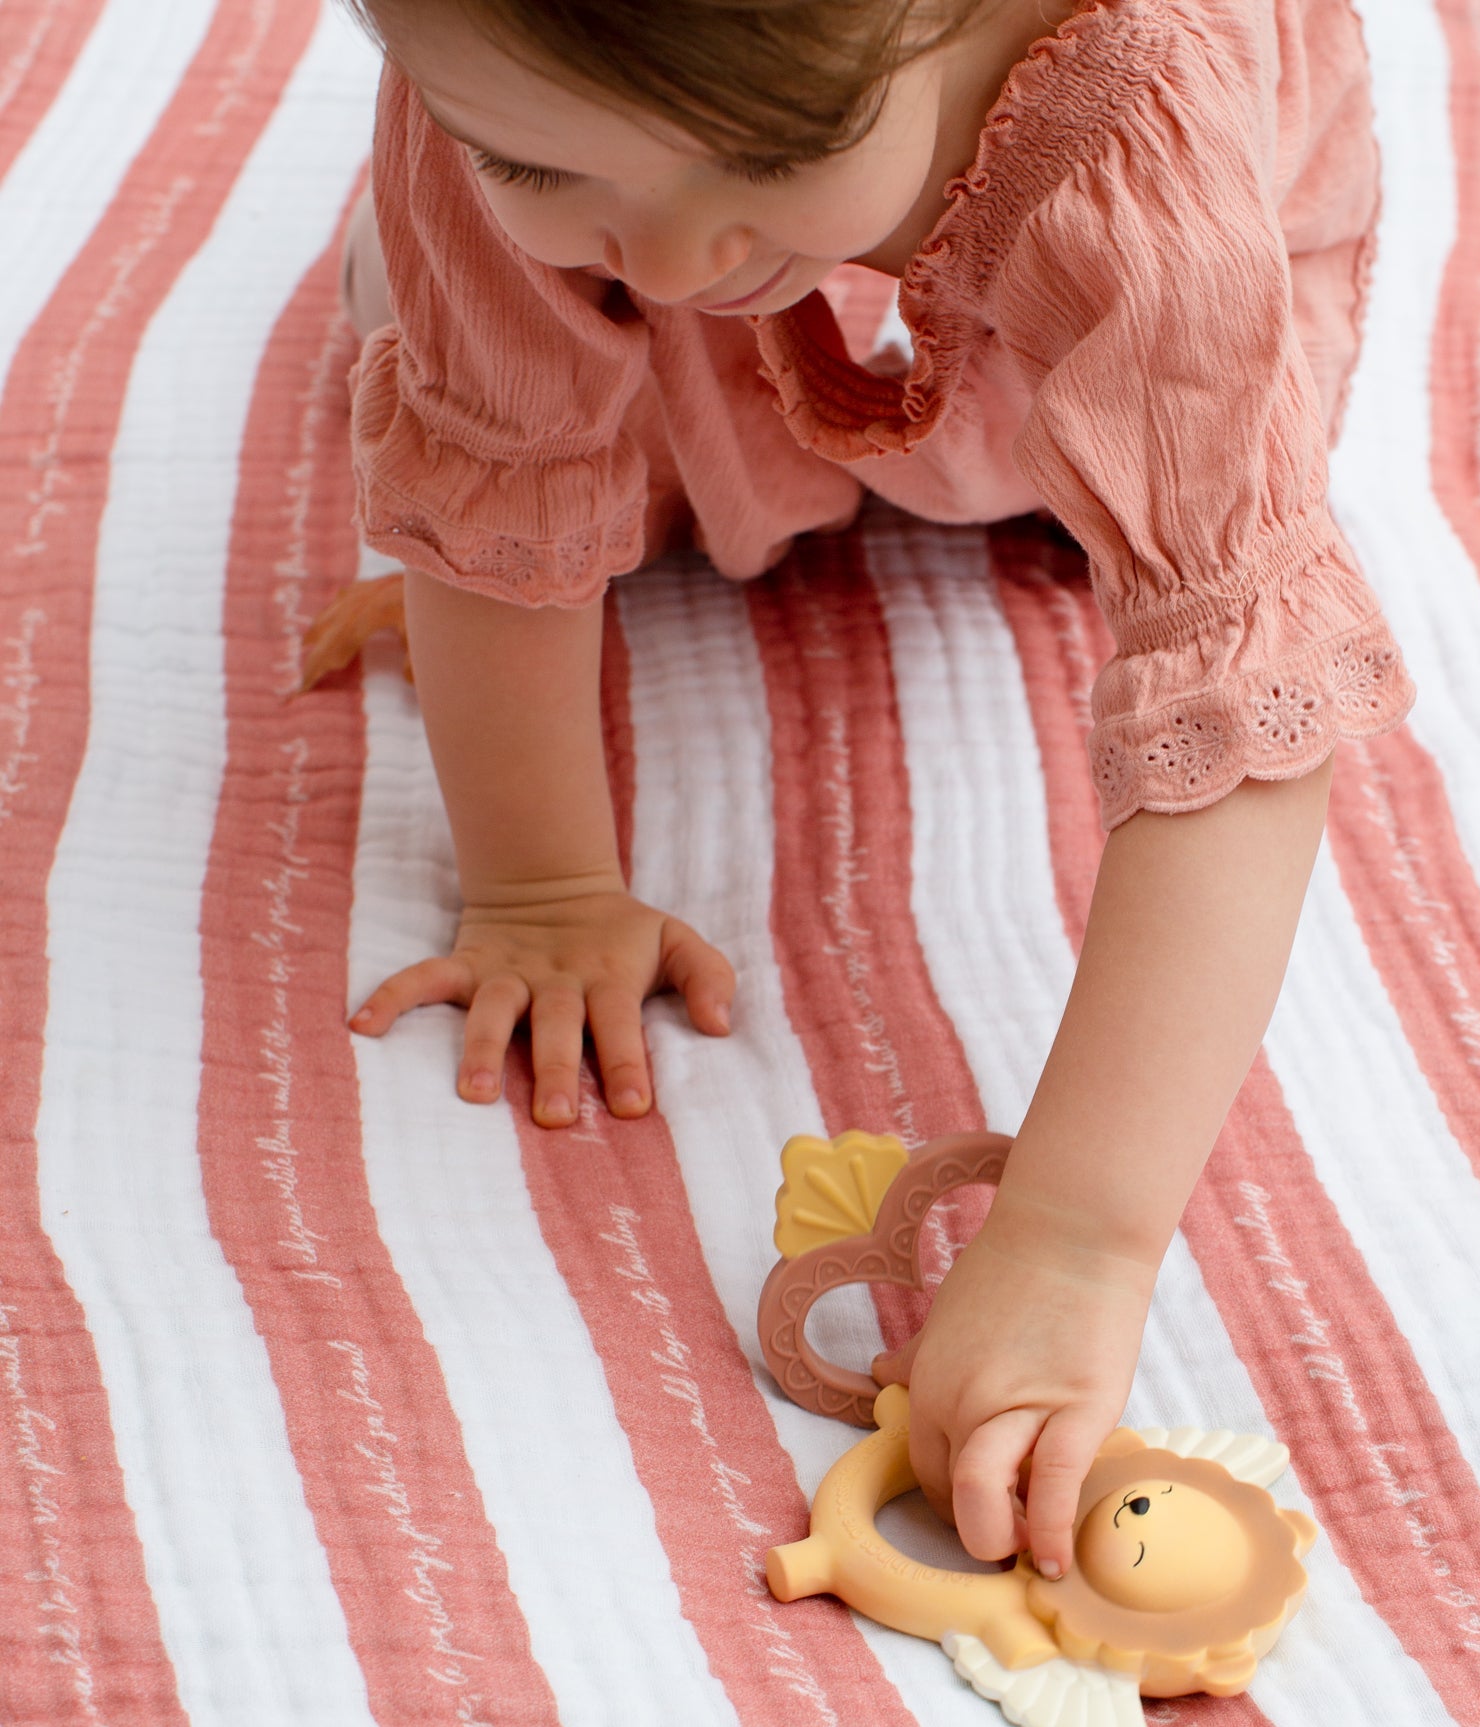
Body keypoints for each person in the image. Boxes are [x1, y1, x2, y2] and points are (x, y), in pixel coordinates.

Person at [321, 0, 1412, 1582]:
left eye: (765, 155)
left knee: (1081, 454)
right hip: (732, 205)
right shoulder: (509, 94)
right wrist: (542, 888)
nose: (677, 258)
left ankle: (971, 344)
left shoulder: (1139, 145)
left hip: (1164, 264)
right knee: (419, 294)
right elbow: (505, 445)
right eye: (539, 159)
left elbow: (1243, 710)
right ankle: (619, 214)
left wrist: (1075, 1239)